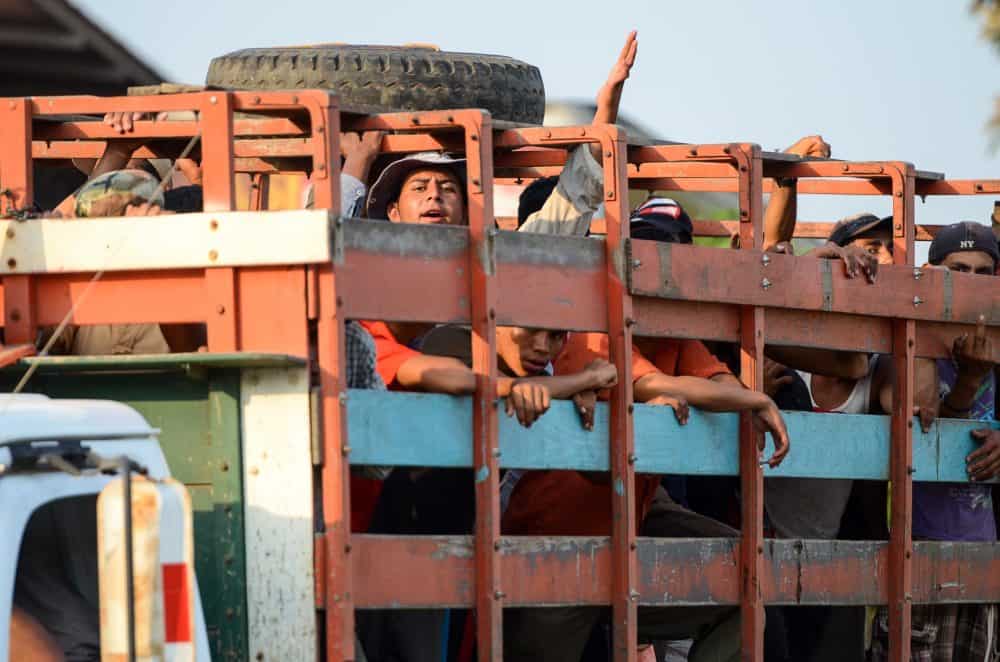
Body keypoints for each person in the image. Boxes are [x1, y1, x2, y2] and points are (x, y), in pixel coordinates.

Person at [871, 221, 1000, 661]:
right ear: (932, 273)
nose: (971, 282)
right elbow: (915, 419)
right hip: (921, 553)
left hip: (986, 556)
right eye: (958, 268)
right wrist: (968, 379)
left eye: (985, 273)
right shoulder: (908, 342)